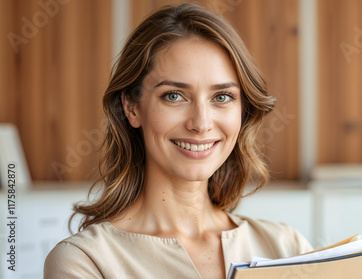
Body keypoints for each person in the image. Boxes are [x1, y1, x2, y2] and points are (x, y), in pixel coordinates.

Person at [44, 3, 312, 279]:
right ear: (132, 107)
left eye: (221, 97)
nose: (201, 123)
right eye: (174, 96)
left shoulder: (287, 248)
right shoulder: (85, 261)